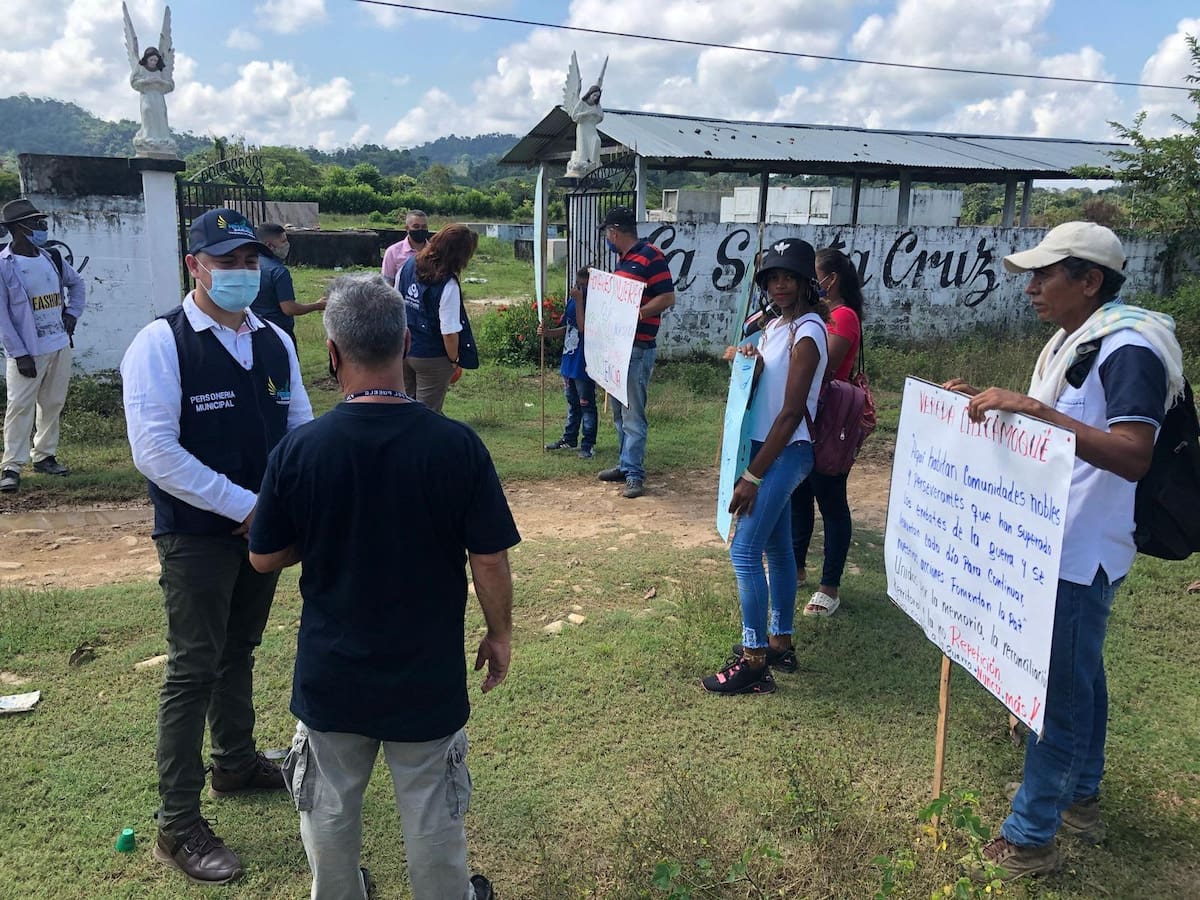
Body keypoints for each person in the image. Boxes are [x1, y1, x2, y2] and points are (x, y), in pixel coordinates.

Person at [248, 273, 518, 900]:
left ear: (333, 352)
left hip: (332, 673)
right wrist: (499, 633)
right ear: (403, 341)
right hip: (427, 671)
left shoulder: (300, 451)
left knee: (330, 809)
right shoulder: (457, 446)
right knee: (432, 811)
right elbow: (489, 558)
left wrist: (319, 527)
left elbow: (263, 558)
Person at [944, 222, 1182, 881]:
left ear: (1090, 281)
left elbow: (1134, 455)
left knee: (1061, 692)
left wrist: (1035, 411)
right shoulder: (1075, 342)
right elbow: (1063, 427)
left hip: (1083, 549)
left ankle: (1031, 837)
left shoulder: (1129, 347)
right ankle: (1082, 797)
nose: (1031, 287)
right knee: (1080, 674)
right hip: (1053, 540)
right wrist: (1003, 409)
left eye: (1046, 274)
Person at [121, 208, 314, 884]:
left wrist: (281, 507)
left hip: (260, 533)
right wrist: (245, 505)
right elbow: (154, 451)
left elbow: (298, 427)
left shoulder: (272, 341)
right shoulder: (161, 342)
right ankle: (178, 825)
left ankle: (234, 762)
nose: (240, 273)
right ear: (194, 266)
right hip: (196, 535)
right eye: (226, 261)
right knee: (192, 667)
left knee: (241, 647)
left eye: (249, 261)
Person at [703, 238, 828, 695]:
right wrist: (747, 361)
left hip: (785, 450)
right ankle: (780, 641)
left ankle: (754, 660)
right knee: (775, 551)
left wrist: (753, 476)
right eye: (772, 277)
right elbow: (766, 389)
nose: (779, 284)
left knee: (743, 551)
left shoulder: (809, 332)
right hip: (765, 446)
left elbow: (792, 412)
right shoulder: (776, 327)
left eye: (789, 276)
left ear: (805, 282)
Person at [790, 248, 865, 617]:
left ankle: (829, 587)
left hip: (831, 422)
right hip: (805, 418)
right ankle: (797, 567)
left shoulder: (843, 317)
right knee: (799, 495)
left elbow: (823, 366)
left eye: (812, 273)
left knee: (831, 501)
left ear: (829, 280)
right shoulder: (812, 316)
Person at [0, 198, 87, 494]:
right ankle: (11, 466)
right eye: (36, 223)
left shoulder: (51, 257)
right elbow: (2, 317)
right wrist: (20, 353)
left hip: (59, 344)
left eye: (42, 222)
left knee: (52, 403)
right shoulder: (4, 265)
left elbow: (77, 285)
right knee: (20, 406)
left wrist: (72, 313)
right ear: (18, 228)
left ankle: (45, 456)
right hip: (27, 350)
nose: (42, 227)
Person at [594, 206, 675, 499]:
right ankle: (625, 464)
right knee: (618, 411)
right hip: (619, 346)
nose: (607, 237)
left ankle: (635, 474)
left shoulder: (651, 256)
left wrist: (636, 314)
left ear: (613, 232)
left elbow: (667, 297)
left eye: (607, 233)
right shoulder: (623, 260)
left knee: (633, 414)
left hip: (637, 347)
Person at [396, 223, 478, 413]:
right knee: (428, 415)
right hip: (432, 356)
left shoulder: (409, 265)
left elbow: (397, 304)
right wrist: (454, 358)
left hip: (404, 349)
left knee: (405, 410)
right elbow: (449, 332)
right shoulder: (447, 284)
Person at [539, 266, 597, 459]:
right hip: (569, 359)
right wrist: (548, 333)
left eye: (583, 286)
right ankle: (569, 438)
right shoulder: (573, 302)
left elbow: (582, 328)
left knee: (586, 404)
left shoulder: (592, 304)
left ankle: (588, 444)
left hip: (584, 362)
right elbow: (569, 328)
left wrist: (580, 301)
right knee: (573, 403)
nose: (578, 289)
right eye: (577, 285)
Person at [250, 222, 325, 344]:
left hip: (252, 330)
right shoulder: (278, 271)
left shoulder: (249, 265)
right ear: (269, 245)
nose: (287, 245)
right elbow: (288, 308)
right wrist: (317, 305)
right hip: (278, 332)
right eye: (283, 241)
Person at [381, 210, 431, 284]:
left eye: (424, 227)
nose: (420, 229)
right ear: (407, 228)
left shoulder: (434, 251)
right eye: (416, 226)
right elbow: (387, 284)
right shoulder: (393, 252)